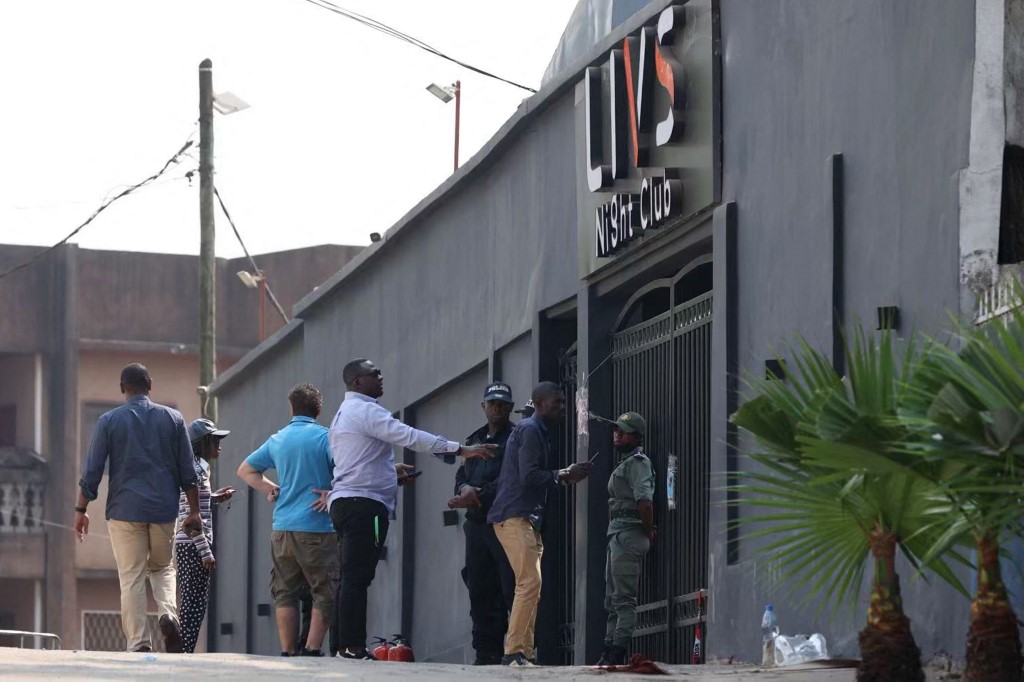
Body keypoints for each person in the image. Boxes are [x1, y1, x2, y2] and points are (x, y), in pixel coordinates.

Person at [327, 359, 494, 660]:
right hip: (364, 505)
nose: (381, 377)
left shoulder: (344, 413)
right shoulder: (366, 410)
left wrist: (390, 470)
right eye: (373, 373)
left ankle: (341, 645)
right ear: (357, 382)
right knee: (358, 577)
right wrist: (460, 449)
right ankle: (352, 647)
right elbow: (409, 436)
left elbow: (358, 461)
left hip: (347, 501)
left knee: (349, 576)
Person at [75, 363, 201, 653]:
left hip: (124, 511)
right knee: (162, 568)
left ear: (122, 388)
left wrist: (80, 510)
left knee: (131, 576)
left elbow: (92, 471)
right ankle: (169, 615)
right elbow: (188, 471)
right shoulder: (173, 419)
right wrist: (194, 512)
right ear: (151, 385)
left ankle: (139, 644)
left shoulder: (108, 421)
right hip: (162, 511)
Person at [488, 381, 593, 667]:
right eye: (557, 402)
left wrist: (564, 475)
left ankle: (524, 652)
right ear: (540, 403)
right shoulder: (531, 430)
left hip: (526, 518)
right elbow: (530, 476)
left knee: (532, 585)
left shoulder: (538, 431)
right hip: (514, 516)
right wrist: (564, 474)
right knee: (530, 582)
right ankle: (514, 652)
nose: (562, 408)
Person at [237, 383, 339, 657]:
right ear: (319, 409)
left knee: (284, 592)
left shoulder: (277, 439)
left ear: (291, 408)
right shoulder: (326, 438)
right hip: (317, 527)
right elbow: (347, 469)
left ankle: (287, 651)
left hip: (282, 528)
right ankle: (313, 650)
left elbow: (246, 470)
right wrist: (332, 493)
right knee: (325, 591)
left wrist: (271, 489)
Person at [447, 381, 517, 666]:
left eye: (502, 404)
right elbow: (462, 475)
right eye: (492, 403)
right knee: (478, 586)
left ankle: (516, 648)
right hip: (476, 524)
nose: (497, 408)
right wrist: (464, 491)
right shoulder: (475, 439)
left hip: (503, 522)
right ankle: (485, 651)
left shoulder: (516, 437)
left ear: (510, 407)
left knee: (509, 586)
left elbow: (512, 477)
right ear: (483, 406)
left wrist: (479, 494)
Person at [595, 412, 656, 666]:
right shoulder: (626, 462)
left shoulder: (638, 463)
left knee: (624, 599)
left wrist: (649, 530)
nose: (617, 434)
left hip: (630, 534)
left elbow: (644, 502)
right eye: (616, 429)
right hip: (618, 533)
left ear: (637, 436)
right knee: (612, 599)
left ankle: (616, 652)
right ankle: (608, 649)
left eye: (624, 430)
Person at [174, 418, 235, 654]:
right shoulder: (196, 470)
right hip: (193, 543)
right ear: (202, 443)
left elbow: (191, 504)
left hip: (189, 543)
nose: (219, 445)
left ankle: (183, 650)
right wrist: (205, 551)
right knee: (193, 605)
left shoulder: (197, 468)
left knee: (193, 603)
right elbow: (189, 516)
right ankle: (183, 652)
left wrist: (213, 498)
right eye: (215, 440)